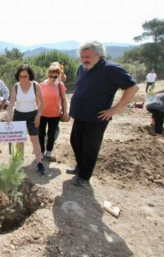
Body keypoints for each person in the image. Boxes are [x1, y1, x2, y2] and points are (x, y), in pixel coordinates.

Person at [68, 41, 139, 186]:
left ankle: (84, 177)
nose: (84, 60)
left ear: (99, 55)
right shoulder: (82, 69)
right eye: (82, 57)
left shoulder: (111, 69)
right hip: (80, 115)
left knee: (90, 147)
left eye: (87, 56)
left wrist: (115, 109)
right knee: (75, 142)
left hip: (97, 117)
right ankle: (80, 167)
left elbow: (133, 87)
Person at [7, 64, 45, 175]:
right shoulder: (16, 86)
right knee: (20, 140)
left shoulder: (35, 85)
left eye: (25, 76)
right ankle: (19, 162)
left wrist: (39, 116)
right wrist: (9, 115)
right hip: (19, 115)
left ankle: (39, 162)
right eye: (20, 76)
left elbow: (41, 102)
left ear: (30, 76)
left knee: (35, 139)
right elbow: (12, 101)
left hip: (32, 115)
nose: (23, 79)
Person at [38, 64, 69, 162]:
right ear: (47, 74)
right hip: (41, 114)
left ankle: (49, 153)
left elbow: (64, 100)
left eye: (55, 77)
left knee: (51, 135)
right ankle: (41, 152)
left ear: (58, 76)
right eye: (50, 76)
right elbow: (36, 99)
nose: (52, 78)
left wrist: (65, 112)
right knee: (40, 134)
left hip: (55, 114)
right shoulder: (40, 85)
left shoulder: (60, 86)